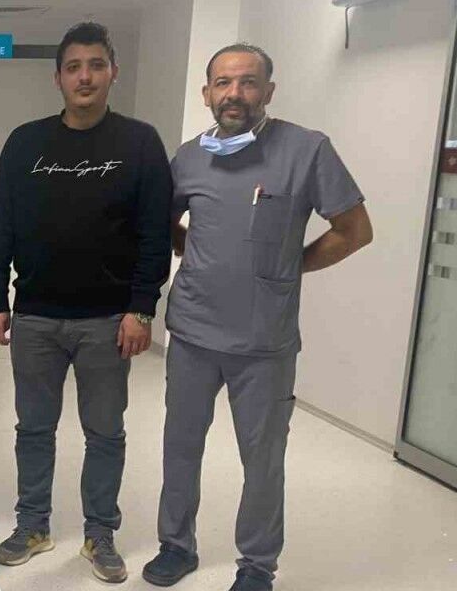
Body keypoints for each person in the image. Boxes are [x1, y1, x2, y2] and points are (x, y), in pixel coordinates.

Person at [141, 44, 373, 591]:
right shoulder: (190, 157)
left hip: (264, 342)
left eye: (248, 82)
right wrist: (194, 250)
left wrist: (290, 267)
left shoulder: (306, 150)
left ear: (268, 91)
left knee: (263, 459)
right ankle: (176, 546)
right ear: (206, 94)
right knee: (181, 447)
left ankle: (257, 565)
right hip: (193, 332)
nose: (235, 94)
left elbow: (354, 231)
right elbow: (160, 223)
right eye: (223, 83)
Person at [0, 21, 172, 583]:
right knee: (33, 429)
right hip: (36, 316)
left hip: (108, 321)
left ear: (113, 72)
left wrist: (142, 309)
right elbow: (1, 226)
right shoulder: (26, 142)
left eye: (95, 65)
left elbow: (154, 234)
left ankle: (100, 534)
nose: (84, 76)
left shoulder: (140, 143)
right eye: (73, 67)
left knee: (105, 433)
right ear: (58, 77)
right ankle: (32, 525)